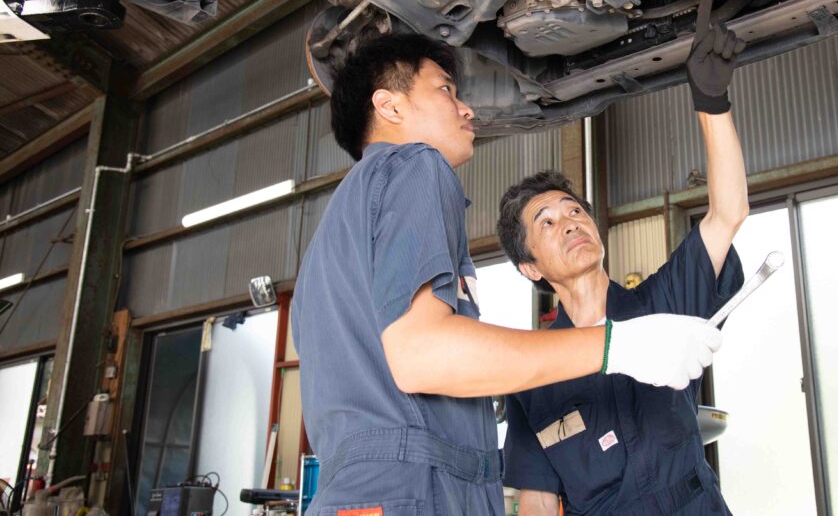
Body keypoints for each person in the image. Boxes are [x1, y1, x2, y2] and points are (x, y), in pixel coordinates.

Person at [291, 29, 733, 515]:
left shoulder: (330, 242)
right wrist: (621, 346)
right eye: (445, 90)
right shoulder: (417, 165)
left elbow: (727, 214)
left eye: (575, 212)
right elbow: (422, 354)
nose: (467, 109)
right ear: (390, 107)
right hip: (419, 494)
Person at [498, 0, 749, 515]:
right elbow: (539, 501)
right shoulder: (533, 376)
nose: (568, 221)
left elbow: (727, 213)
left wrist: (711, 101)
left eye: (573, 211)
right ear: (531, 267)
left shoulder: (665, 303)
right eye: (546, 223)